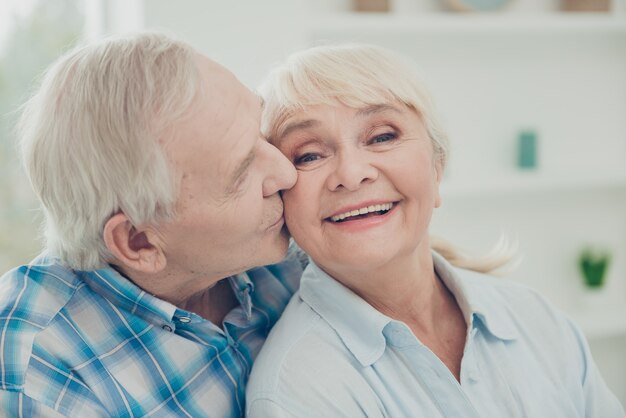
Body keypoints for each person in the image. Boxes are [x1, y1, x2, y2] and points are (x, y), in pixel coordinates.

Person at [245, 44, 625, 417]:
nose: (351, 173)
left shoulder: (536, 317)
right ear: (280, 199)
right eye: (309, 155)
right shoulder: (297, 392)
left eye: (381, 137)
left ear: (437, 166)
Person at [0, 32, 305, 417]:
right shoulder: (37, 377)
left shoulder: (277, 241)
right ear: (140, 242)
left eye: (260, 131)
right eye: (241, 174)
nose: (287, 172)